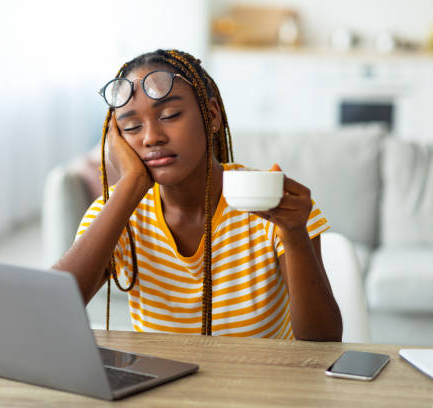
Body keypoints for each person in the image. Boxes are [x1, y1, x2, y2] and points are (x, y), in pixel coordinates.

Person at [53, 49, 342, 341]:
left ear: (211, 115)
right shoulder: (116, 209)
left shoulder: (273, 202)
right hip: (162, 385)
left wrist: (294, 234)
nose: (152, 137)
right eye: (132, 127)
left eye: (169, 115)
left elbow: (324, 341)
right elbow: (52, 310)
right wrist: (130, 185)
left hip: (259, 384)